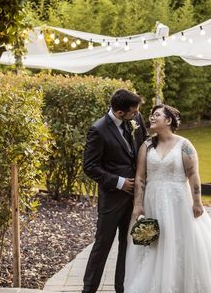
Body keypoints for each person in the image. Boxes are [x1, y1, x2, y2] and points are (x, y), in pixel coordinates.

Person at [124, 104, 211, 293]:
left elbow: (194, 175)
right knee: (154, 243)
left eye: (157, 115)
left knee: (182, 241)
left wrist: (198, 202)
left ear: (168, 120)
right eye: (151, 115)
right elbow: (140, 177)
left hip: (179, 201)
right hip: (153, 201)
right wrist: (138, 205)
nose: (152, 118)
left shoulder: (184, 145)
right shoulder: (146, 145)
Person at [82, 89, 147, 293]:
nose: (137, 115)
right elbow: (90, 167)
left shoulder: (135, 120)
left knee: (127, 246)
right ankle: (89, 289)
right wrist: (119, 182)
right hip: (111, 200)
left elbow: (144, 145)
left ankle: (122, 288)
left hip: (134, 200)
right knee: (102, 245)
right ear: (119, 112)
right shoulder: (98, 130)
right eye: (133, 112)